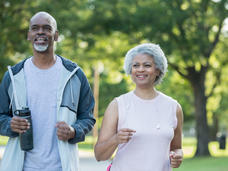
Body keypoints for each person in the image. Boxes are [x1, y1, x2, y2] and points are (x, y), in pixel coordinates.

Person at [0, 11, 95, 171]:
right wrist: (10, 124)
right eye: (35, 28)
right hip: (20, 166)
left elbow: (88, 117)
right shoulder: (13, 76)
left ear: (56, 35)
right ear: (29, 35)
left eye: (46, 28)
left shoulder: (75, 75)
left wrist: (74, 131)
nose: (40, 32)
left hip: (62, 166)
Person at [94, 43, 183, 171]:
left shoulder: (174, 107)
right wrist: (116, 139)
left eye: (147, 65)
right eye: (136, 65)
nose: (140, 69)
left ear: (158, 70)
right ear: (130, 70)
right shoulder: (118, 105)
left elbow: (176, 148)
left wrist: (178, 156)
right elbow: (99, 155)